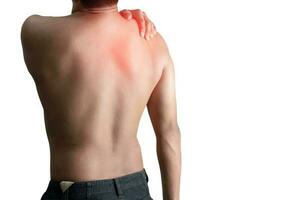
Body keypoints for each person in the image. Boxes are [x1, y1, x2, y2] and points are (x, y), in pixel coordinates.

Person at [21, 0, 181, 199]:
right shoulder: (153, 42)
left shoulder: (36, 32)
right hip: (137, 188)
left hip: (79, 191)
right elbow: (168, 132)